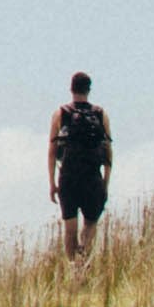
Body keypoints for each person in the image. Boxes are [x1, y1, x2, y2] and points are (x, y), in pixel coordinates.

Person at [48, 72, 112, 267]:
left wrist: (52, 182)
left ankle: (74, 268)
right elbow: (108, 152)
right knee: (91, 223)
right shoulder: (100, 114)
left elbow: (52, 151)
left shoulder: (61, 113)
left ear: (71, 88)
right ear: (89, 90)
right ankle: (83, 257)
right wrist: (105, 182)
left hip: (68, 177)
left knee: (70, 228)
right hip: (92, 176)